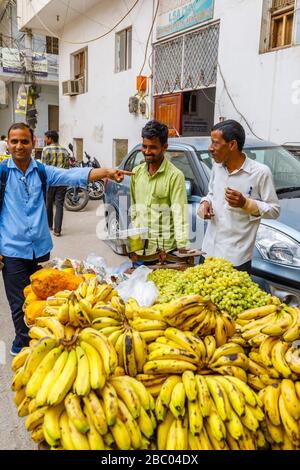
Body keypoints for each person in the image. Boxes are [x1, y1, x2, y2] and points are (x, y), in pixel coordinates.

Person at [0, 122, 131, 355]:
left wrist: (107, 171)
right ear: (8, 144)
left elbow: (73, 175)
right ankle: (23, 344)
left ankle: (40, 337)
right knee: (19, 303)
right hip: (11, 249)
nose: (19, 146)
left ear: (34, 144)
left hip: (39, 248)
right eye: (14, 141)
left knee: (42, 298)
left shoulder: (42, 171)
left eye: (24, 141)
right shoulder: (2, 173)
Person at [198, 119, 280, 273]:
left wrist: (245, 203)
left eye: (215, 143)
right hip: (208, 251)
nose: (210, 148)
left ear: (232, 145)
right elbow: (210, 194)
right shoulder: (217, 166)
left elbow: (274, 210)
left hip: (236, 259)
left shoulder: (260, 173)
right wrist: (205, 203)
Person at [130, 120, 189, 256]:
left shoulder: (175, 176)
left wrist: (182, 249)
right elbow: (134, 207)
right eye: (144, 146)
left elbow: (180, 216)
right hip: (139, 247)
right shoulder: (136, 172)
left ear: (164, 147)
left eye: (153, 147)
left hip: (164, 252)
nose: (147, 151)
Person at [41, 130, 70, 236]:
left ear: (50, 138)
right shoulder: (65, 150)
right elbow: (67, 167)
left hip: (50, 181)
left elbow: (44, 167)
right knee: (59, 205)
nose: (44, 140)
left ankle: (49, 225)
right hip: (62, 181)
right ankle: (57, 230)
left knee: (48, 204)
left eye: (45, 138)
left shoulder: (46, 150)